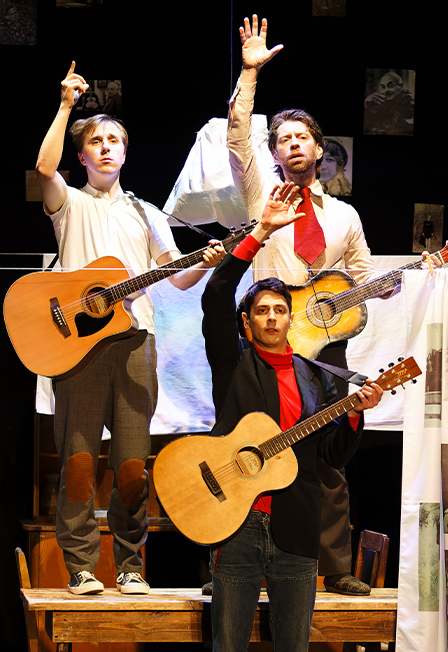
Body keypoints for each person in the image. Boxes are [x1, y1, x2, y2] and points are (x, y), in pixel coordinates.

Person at [35, 61, 225, 596]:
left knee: (132, 466)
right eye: (95, 142)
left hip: (135, 342)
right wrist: (66, 106)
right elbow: (44, 167)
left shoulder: (147, 213)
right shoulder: (69, 203)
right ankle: (80, 567)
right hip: (78, 348)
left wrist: (205, 262)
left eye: (114, 141)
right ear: (82, 155)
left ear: (125, 152)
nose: (105, 148)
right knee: (78, 461)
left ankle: (130, 565)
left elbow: (177, 278)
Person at [226, 14, 381, 596]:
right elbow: (237, 137)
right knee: (246, 450)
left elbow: (362, 279)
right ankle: (229, 565)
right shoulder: (261, 196)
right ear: (274, 152)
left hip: (323, 351)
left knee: (328, 459)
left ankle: (333, 567)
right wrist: (249, 74)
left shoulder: (345, 216)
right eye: (283, 139)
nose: (293, 144)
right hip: (265, 343)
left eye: (301, 137)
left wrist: (395, 284)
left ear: (319, 148)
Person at [201, 181, 383, 651]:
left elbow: (330, 456)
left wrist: (355, 416)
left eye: (280, 310)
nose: (271, 317)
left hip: (297, 527)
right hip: (238, 524)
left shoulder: (316, 375)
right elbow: (216, 293)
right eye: (261, 310)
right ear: (247, 321)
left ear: (290, 318)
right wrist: (260, 232)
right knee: (228, 645)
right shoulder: (233, 364)